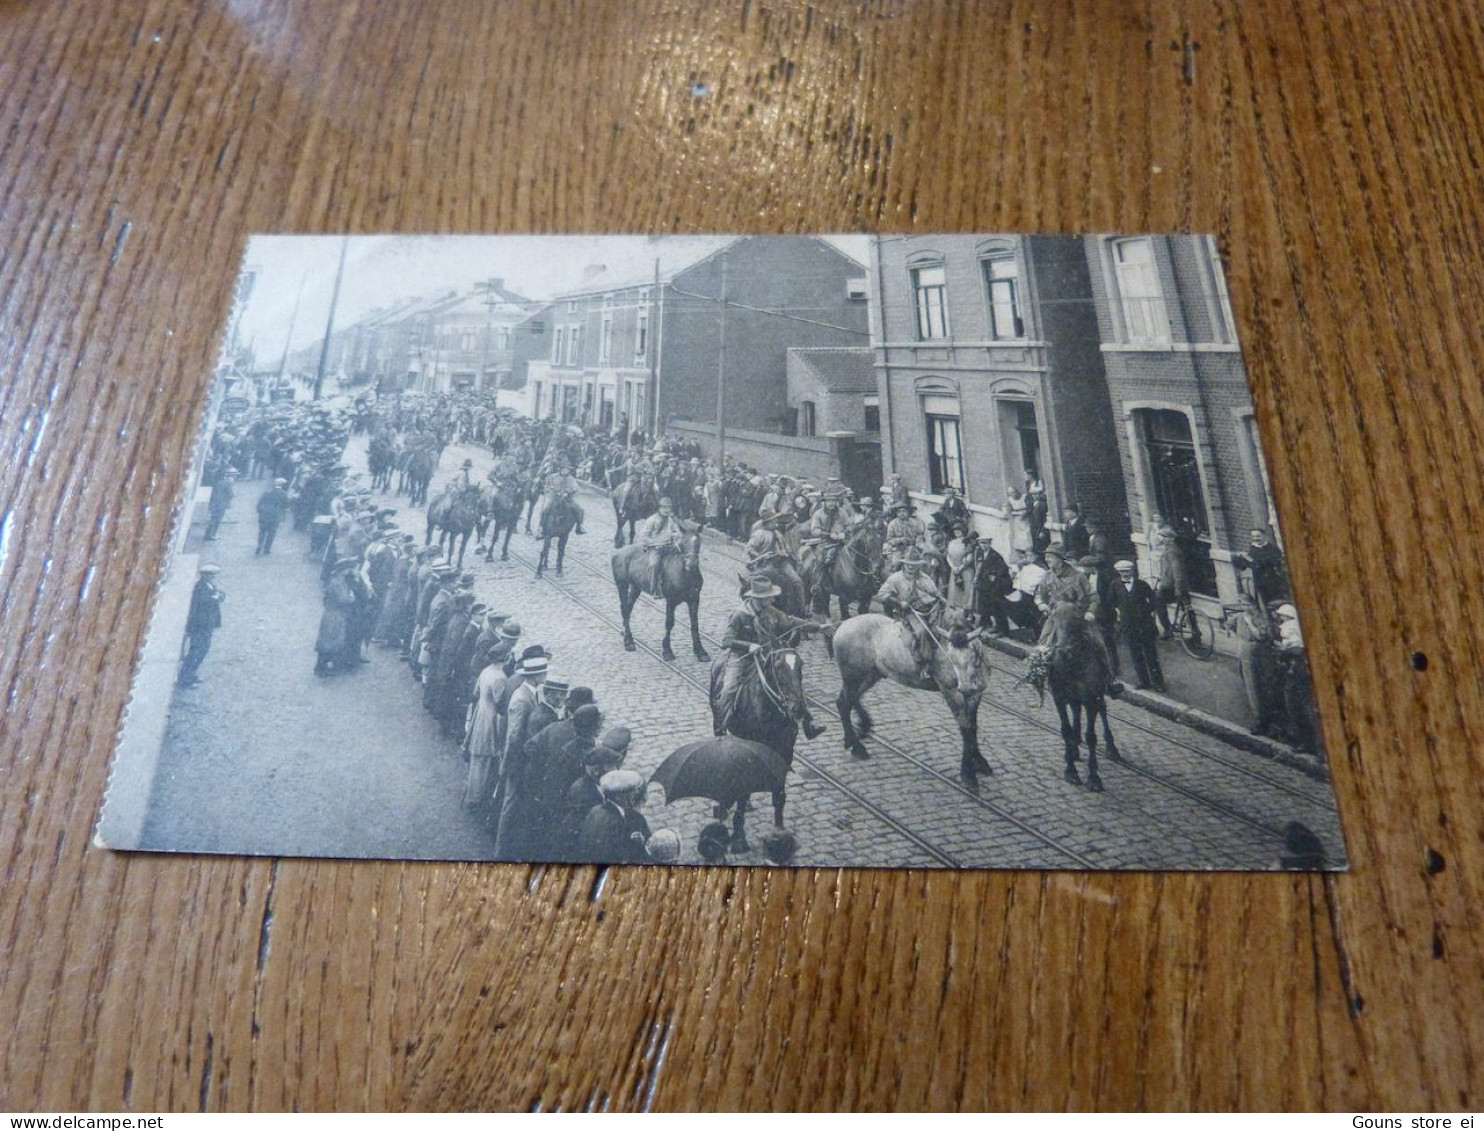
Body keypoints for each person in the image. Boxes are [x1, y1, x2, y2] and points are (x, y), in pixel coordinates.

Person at [714, 575, 825, 739]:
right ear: (758, 599)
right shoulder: (739, 615)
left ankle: (808, 722)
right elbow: (727, 641)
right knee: (729, 688)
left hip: (768, 655)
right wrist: (749, 646)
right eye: (769, 597)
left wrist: (818, 627)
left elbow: (790, 621)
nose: (773, 600)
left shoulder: (771, 612)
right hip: (743, 658)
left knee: (793, 681)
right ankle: (720, 727)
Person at [874, 546, 944, 680]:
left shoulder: (924, 577)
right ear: (904, 564)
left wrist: (941, 598)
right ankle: (924, 665)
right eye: (908, 564)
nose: (911, 567)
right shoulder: (895, 579)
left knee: (943, 627)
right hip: (911, 612)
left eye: (914, 565)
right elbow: (882, 594)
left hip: (930, 608)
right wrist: (899, 602)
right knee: (923, 632)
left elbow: (935, 592)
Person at [576, 770, 653, 864]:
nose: (634, 796)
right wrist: (638, 844)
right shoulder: (617, 823)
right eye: (630, 793)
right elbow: (621, 857)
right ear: (618, 797)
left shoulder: (595, 810)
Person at [1114, 559, 1165, 692]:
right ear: (1118, 573)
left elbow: (1155, 600)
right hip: (1128, 627)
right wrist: (1119, 614)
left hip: (1145, 626)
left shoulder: (1142, 585)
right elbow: (1111, 602)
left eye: (1127, 571)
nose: (1125, 574)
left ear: (1132, 571)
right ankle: (1144, 681)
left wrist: (1145, 611)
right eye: (1122, 572)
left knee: (1151, 656)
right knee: (1136, 655)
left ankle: (1158, 683)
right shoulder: (1115, 585)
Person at [1233, 596, 1280, 735]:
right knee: (1249, 686)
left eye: (1246, 604)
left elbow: (1261, 635)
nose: (1243, 607)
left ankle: (1262, 720)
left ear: (1252, 605)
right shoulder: (1240, 617)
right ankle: (1259, 717)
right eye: (1241, 604)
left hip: (1256, 655)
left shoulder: (1258, 618)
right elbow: (1231, 626)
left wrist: (1250, 623)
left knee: (1256, 687)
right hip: (1244, 653)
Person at [178, 563, 224, 687]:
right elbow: (202, 602)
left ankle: (192, 674)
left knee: (203, 650)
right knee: (196, 651)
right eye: (210, 575)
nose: (212, 577)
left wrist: (218, 596)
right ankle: (184, 678)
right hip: (199, 626)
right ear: (204, 576)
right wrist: (215, 598)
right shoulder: (199, 588)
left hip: (208, 625)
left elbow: (220, 594)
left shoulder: (209, 586)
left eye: (212, 575)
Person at [1232, 527, 1291, 609]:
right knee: (1264, 604)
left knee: (1278, 604)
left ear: (1264, 536)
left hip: (1274, 582)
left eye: (1258, 536)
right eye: (1253, 537)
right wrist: (1240, 561)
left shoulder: (1272, 549)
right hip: (1260, 583)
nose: (1256, 539)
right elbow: (1247, 565)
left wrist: (1257, 562)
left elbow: (1274, 561)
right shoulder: (1252, 549)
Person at [637, 496, 683, 592]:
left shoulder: (671, 520)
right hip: (655, 548)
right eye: (664, 507)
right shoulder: (652, 520)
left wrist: (676, 538)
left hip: (669, 547)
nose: (667, 510)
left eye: (669, 508)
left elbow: (678, 533)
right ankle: (653, 586)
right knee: (654, 564)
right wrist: (654, 543)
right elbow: (644, 536)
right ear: (659, 508)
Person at [972, 534, 1014, 635]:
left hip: (995, 586)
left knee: (997, 607)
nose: (983, 545)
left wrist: (994, 575)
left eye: (985, 543)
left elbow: (1003, 569)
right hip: (985, 585)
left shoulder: (995, 555)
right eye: (981, 543)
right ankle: (989, 625)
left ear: (990, 543)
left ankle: (1003, 630)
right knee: (987, 606)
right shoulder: (980, 553)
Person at [254, 477, 290, 555]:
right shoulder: (283, 494)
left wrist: (260, 511)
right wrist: (283, 518)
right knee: (271, 533)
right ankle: (266, 549)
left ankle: (259, 545)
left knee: (262, 532)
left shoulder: (267, 492)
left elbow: (260, 503)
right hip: (275, 516)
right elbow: (286, 507)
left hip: (264, 515)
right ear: (282, 485)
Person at [204, 469, 236, 541]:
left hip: (215, 504)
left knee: (213, 519)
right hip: (221, 505)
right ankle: (213, 534)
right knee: (217, 520)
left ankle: (208, 534)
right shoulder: (228, 484)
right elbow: (231, 494)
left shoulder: (219, 483)